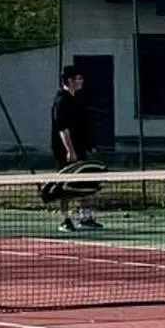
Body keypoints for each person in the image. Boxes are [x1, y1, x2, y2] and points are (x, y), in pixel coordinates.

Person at [50, 64, 101, 231]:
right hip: (65, 152)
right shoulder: (61, 101)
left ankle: (85, 217)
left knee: (87, 182)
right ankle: (65, 220)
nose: (82, 81)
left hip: (80, 149)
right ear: (70, 80)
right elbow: (62, 129)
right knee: (65, 185)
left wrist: (90, 146)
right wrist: (69, 150)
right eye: (79, 78)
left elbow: (83, 127)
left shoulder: (77, 100)